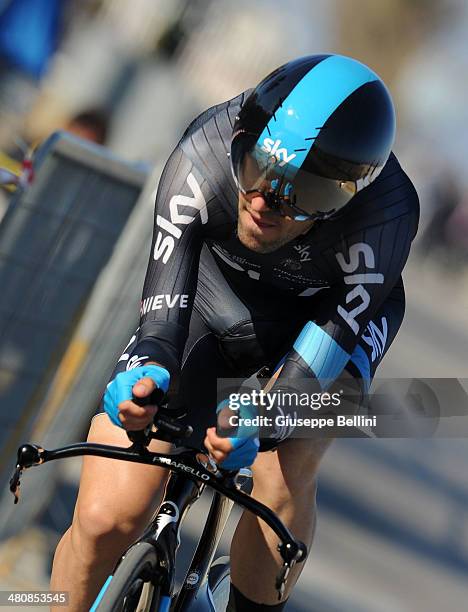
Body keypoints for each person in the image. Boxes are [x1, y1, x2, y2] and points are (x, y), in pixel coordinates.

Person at [50, 54, 419, 611]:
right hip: (210, 297)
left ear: (348, 193)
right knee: (107, 518)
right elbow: (160, 323)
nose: (264, 201)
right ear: (242, 140)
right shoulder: (202, 149)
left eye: (305, 193)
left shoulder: (386, 214)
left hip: (325, 321)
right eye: (254, 169)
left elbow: (320, 356)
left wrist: (265, 417)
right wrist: (146, 369)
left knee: (283, 467)